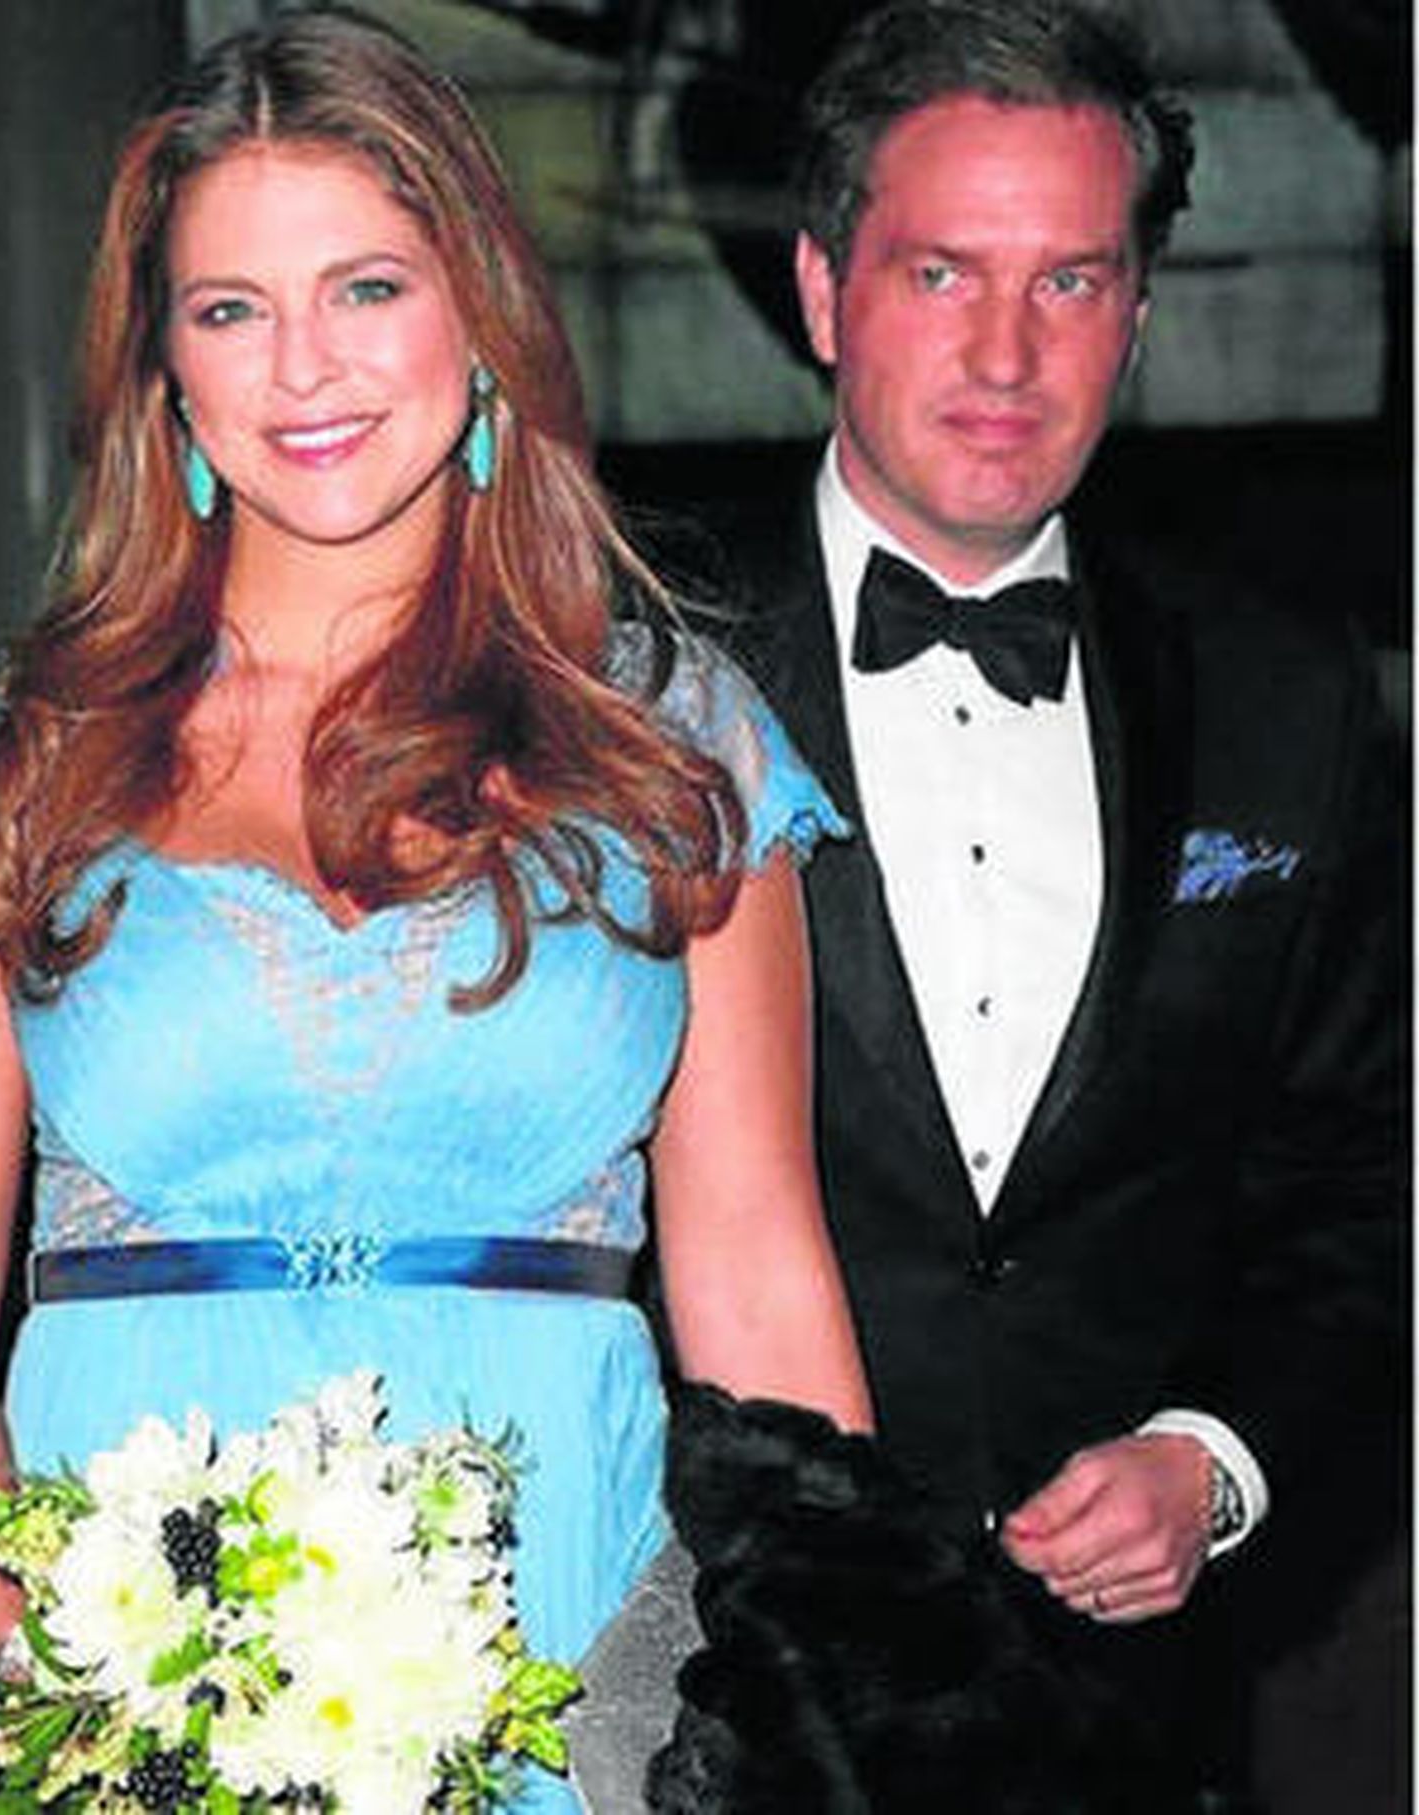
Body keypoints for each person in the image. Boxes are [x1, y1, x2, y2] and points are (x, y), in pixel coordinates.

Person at [0, 10, 872, 1812]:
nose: (303, 366)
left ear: (480, 315)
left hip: (583, 1669)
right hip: (102, 1693)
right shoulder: (2, 756)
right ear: (165, 369)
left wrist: (834, 1707)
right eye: (231, 309)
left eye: (367, 288)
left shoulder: (674, 745)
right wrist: (93, 1717)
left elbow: (767, 1298)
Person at [656, 0, 1407, 1806]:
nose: (1006, 352)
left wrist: (1214, 1458)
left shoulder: (1289, 700)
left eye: (1070, 281)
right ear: (825, 291)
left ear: (1136, 314)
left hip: (1127, 1721)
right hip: (684, 1690)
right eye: (943, 274)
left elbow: (1364, 1186)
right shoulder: (624, 665)